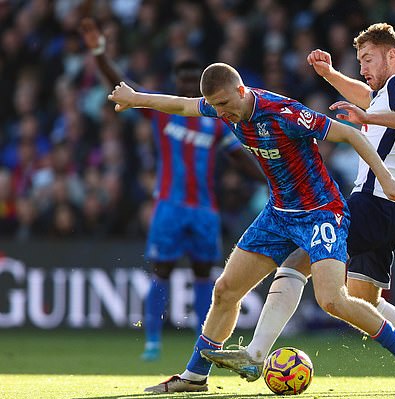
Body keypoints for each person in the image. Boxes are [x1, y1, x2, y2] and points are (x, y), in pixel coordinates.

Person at [108, 62, 395, 394]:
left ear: (240, 90)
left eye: (224, 104)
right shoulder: (222, 109)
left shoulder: (284, 113)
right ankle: (194, 377)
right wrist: (136, 98)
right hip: (278, 214)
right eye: (215, 107)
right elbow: (182, 105)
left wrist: (386, 179)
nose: (221, 113)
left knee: (332, 300)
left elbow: (348, 133)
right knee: (225, 291)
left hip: (321, 213)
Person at [205, 23, 395, 387]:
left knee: (295, 264)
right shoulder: (385, 95)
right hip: (393, 212)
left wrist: (366, 118)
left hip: (372, 201)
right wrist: (331, 75)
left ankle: (255, 354)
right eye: (360, 61)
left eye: (368, 59)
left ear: (392, 55)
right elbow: (367, 99)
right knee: (364, 301)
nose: (363, 68)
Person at [79, 18, 263, 361]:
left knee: (204, 275)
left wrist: (267, 178)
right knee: (162, 271)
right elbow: (122, 86)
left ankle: (201, 342)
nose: (184, 86)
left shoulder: (215, 120)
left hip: (204, 210)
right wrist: (100, 53)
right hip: (169, 206)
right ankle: (151, 342)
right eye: (180, 81)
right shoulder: (164, 116)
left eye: (190, 82)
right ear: (175, 83)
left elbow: (239, 160)